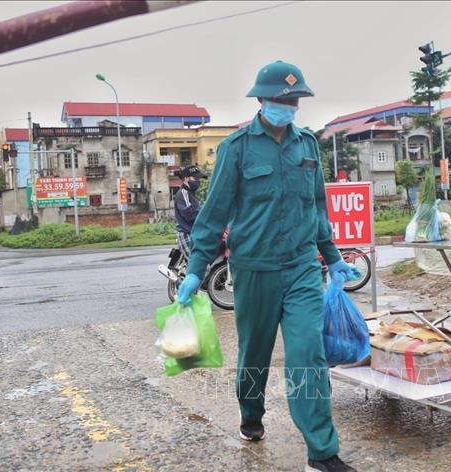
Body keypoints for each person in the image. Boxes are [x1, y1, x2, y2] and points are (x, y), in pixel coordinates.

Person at [177, 60, 358, 472]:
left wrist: (332, 258)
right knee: (254, 355)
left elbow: (316, 206)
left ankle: (321, 451)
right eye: (280, 99)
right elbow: (214, 214)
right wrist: (195, 269)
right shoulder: (236, 148)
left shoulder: (307, 145)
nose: (288, 105)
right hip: (254, 268)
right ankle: (251, 414)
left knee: (308, 354)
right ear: (261, 99)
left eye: (293, 99)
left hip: (301, 269)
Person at [173, 165, 207, 261]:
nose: (198, 181)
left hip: (195, 234)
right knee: (197, 265)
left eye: (199, 179)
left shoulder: (192, 194)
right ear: (186, 178)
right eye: (195, 178)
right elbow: (190, 215)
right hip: (186, 234)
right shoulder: (183, 193)